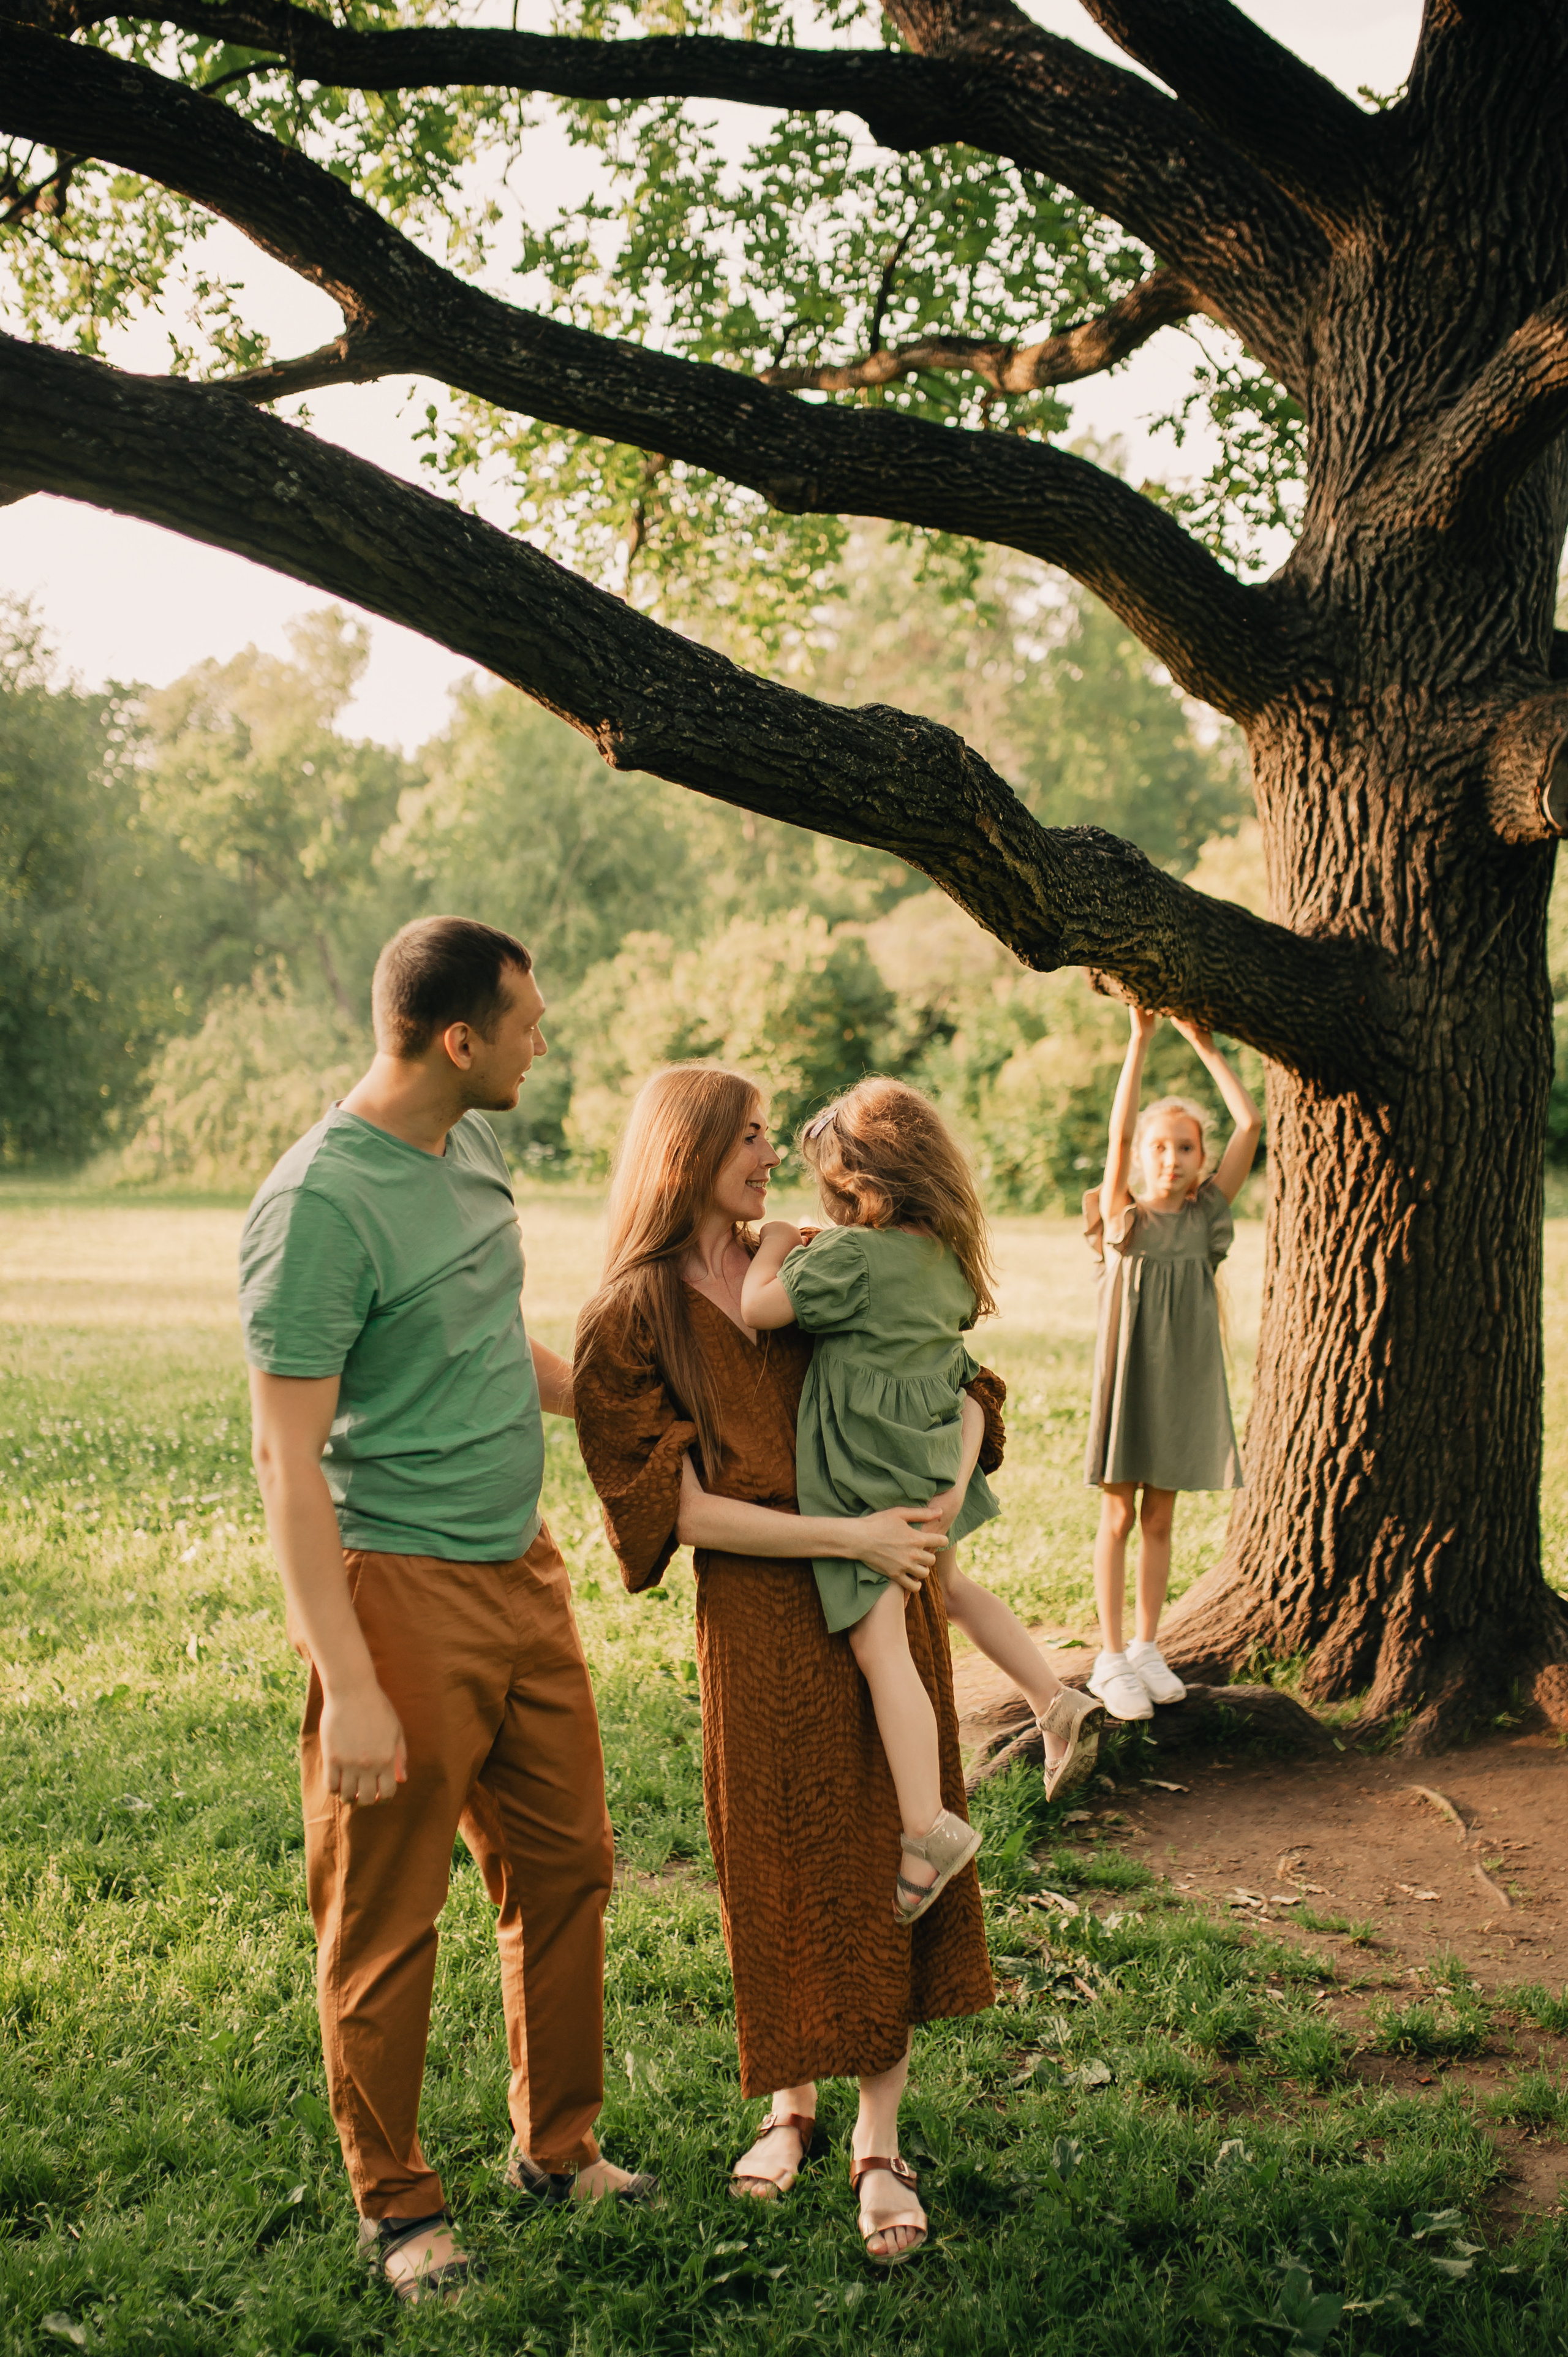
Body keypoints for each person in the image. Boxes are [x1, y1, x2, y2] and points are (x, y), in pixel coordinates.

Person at [239, 915, 650, 2307]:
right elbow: (285, 1460)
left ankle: (557, 2147)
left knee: (569, 1863)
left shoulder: (471, 1145)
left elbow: (480, 1336)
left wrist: (601, 1396)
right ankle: (401, 2204)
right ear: (457, 1038)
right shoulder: (319, 1206)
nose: (546, 1041)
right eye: (527, 1022)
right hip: (396, 1590)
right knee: (387, 1910)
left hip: (521, 1573)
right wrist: (344, 1676)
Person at [573, 1065, 1000, 2266]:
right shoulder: (635, 1312)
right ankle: (788, 2106)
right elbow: (675, 1507)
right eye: (752, 1137)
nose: (771, 1156)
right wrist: (843, 1534)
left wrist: (945, 1486)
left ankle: (878, 2141)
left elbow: (954, 1378)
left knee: (884, 1857)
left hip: (883, 1591)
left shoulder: (822, 1254)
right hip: (761, 1615)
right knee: (775, 1859)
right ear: (688, 1152)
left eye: (771, 1136)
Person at [739, 1078, 1104, 1926]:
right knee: (950, 1589)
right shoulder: (942, 1254)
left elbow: (761, 1308)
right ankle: (1054, 1698)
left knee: (880, 1644)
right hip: (931, 1455)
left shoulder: (847, 1258)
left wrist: (774, 1243)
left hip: (870, 1475)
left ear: (858, 1186)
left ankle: (925, 1823)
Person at [1083, 1008, 1262, 1722]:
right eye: (1160, 1147)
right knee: (1119, 1512)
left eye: (1185, 1148)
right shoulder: (1121, 1215)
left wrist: (1203, 1044)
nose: (1171, 1159)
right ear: (1141, 1156)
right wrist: (1138, 1038)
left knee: (1161, 1517)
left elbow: (1247, 1126)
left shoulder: (1206, 1215)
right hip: (1126, 1380)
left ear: (1198, 1157)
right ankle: (1109, 1654)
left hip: (1181, 1378)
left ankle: (1149, 1647)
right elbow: (1119, 1131)